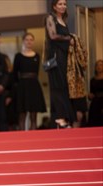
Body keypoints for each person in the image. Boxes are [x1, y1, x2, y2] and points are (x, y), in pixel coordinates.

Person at [44, 0, 75, 128]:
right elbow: (52, 36)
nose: (63, 6)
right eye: (60, 4)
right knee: (57, 86)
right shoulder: (50, 18)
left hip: (64, 57)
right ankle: (60, 118)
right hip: (55, 57)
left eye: (64, 4)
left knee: (64, 86)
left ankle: (61, 118)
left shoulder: (64, 20)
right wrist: (69, 38)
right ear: (54, 6)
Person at [12, 33, 46, 130]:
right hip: (22, 86)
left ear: (33, 41)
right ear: (23, 41)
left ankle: (33, 137)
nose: (29, 41)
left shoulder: (37, 56)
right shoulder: (18, 56)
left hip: (34, 85)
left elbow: (37, 72)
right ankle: (22, 138)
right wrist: (18, 86)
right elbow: (14, 73)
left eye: (31, 39)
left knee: (33, 115)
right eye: (27, 39)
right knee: (22, 115)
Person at [88, 60, 103, 127]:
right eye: (97, 65)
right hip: (95, 104)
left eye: (100, 65)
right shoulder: (92, 80)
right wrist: (90, 96)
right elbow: (92, 93)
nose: (98, 67)